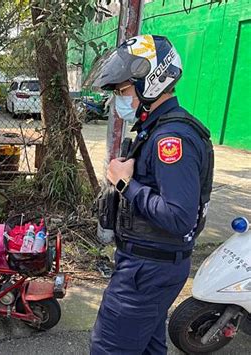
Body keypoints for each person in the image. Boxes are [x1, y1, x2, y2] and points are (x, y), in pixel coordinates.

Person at [87, 35, 214, 354]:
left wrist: (125, 184)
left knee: (109, 349)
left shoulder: (171, 140)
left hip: (145, 273)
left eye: (123, 90)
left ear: (153, 82)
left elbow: (179, 217)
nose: (119, 100)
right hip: (149, 266)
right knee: (149, 348)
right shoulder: (157, 130)